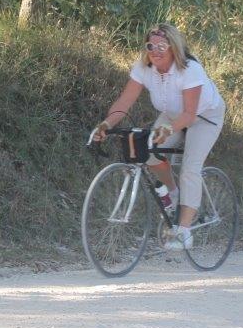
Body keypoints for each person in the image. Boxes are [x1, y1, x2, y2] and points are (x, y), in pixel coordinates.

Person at [92, 23, 225, 250]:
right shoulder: (144, 68)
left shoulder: (189, 69)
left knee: (190, 168)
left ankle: (184, 232)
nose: (155, 51)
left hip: (204, 117)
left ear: (174, 47)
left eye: (162, 46)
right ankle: (174, 194)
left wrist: (169, 130)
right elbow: (124, 102)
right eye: (150, 46)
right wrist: (106, 124)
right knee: (148, 153)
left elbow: (190, 114)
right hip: (172, 115)